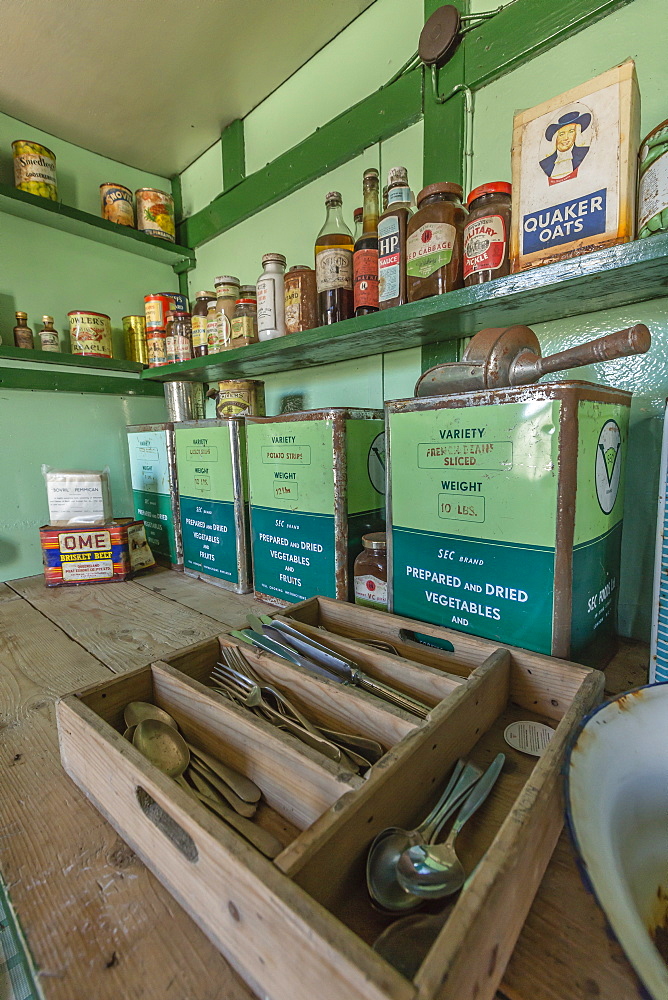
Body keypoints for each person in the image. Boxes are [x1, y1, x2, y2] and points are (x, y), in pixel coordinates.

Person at [539, 110, 591, 184]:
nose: (566, 138)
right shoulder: (545, 163)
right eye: (562, 134)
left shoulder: (585, 154)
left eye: (571, 132)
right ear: (556, 137)